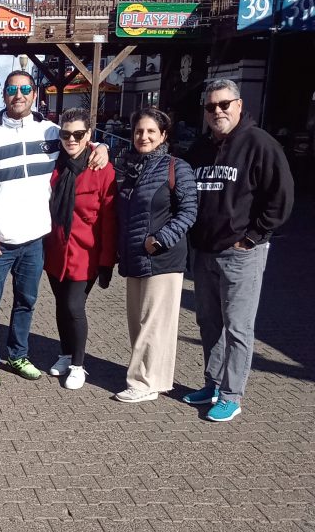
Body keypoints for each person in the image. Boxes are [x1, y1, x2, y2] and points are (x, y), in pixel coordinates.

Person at [0, 71, 108, 388]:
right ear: (4, 94)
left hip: (36, 240)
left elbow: (80, 140)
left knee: (26, 301)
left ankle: (18, 355)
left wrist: (101, 147)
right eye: (12, 89)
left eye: (25, 89)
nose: (18, 94)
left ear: (35, 94)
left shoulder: (50, 131)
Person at [184, 78, 294, 422]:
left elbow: (282, 196)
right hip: (204, 252)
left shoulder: (260, 144)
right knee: (208, 322)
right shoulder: (200, 148)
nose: (217, 111)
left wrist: (253, 236)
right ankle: (212, 383)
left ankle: (232, 394)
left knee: (238, 327)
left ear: (239, 105)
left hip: (241, 252)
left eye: (224, 105)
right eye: (210, 107)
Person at [113, 107, 197, 403]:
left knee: (153, 323)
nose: (143, 136)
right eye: (138, 131)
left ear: (163, 135)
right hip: (134, 256)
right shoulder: (128, 167)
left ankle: (143, 382)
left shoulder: (177, 167)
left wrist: (161, 239)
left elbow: (189, 211)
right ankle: (154, 378)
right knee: (138, 321)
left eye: (150, 131)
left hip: (162, 257)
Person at [44, 108, 117, 390]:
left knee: (75, 306)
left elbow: (109, 220)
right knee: (61, 306)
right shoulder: (54, 161)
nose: (71, 139)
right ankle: (64, 353)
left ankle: (78, 363)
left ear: (89, 135)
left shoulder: (101, 167)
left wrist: (107, 261)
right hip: (56, 250)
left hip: (86, 253)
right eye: (65, 134)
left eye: (78, 134)